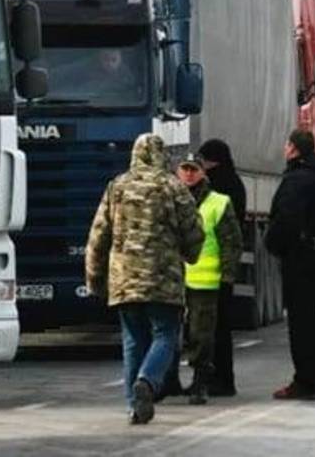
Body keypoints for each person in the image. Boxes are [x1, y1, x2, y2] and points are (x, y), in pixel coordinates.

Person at [85, 134, 203, 426]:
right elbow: (193, 231)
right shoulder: (173, 187)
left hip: (124, 279)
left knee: (133, 340)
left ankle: (134, 407)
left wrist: (95, 279)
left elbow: (98, 236)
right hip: (163, 279)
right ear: (162, 156)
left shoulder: (117, 187)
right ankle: (147, 382)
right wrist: (191, 254)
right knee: (165, 334)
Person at [265, 129, 315, 400]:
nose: (284, 149)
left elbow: (286, 219)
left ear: (294, 149)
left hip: (300, 258)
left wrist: (273, 244)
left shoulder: (297, 180)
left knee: (301, 324)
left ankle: (305, 380)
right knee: (313, 321)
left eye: (287, 144)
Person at [175, 153, 242, 406]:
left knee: (201, 336)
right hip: (174, 281)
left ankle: (201, 382)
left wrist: (227, 276)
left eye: (194, 169)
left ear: (203, 173)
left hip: (206, 282)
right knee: (175, 334)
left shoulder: (218, 202)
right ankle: (170, 381)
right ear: (177, 172)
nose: (189, 174)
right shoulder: (170, 200)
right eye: (185, 169)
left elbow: (231, 242)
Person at [197, 138, 246, 397]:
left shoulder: (215, 188)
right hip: (222, 268)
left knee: (211, 329)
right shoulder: (235, 184)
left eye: (203, 160)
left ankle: (218, 379)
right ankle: (222, 378)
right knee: (220, 327)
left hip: (209, 269)